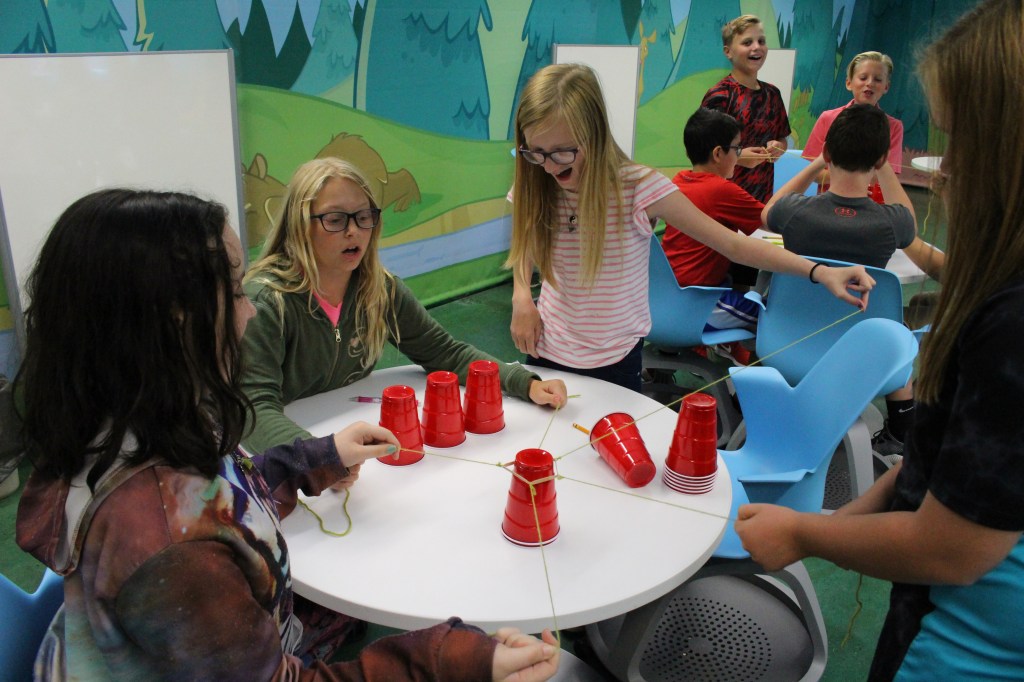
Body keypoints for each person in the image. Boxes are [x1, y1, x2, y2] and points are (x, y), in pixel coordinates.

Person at [14, 188, 560, 681]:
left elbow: (221, 491)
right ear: (174, 323)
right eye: (234, 292)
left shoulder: (131, 421)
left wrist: (315, 457)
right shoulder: (176, 552)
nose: (248, 313)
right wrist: (450, 661)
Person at [736, 1, 1024, 679]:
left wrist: (806, 531)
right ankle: (897, 412)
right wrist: (830, 528)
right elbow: (945, 465)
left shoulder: (1008, 322)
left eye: (959, 139)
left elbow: (955, 548)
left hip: (961, 644)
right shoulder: (893, 225)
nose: (945, 171)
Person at [507, 63, 876, 393]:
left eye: (562, 152)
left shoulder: (638, 188)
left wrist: (820, 271)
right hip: (545, 347)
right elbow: (525, 240)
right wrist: (522, 296)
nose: (548, 166)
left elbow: (735, 246)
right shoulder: (536, 179)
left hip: (614, 359)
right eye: (535, 152)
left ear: (595, 134)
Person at [242, 158, 567, 455]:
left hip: (341, 435)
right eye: (336, 219)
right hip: (281, 454)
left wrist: (523, 382)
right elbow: (253, 408)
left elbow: (445, 353)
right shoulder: (266, 302)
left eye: (364, 217)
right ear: (300, 224)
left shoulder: (378, 288)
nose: (354, 231)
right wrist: (318, 457)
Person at [763, 103, 945, 460]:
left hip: (787, 344)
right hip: (864, 355)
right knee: (900, 327)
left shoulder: (795, 212)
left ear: (828, 153)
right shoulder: (892, 222)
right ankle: (900, 431)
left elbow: (767, 212)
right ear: (880, 159)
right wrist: (885, 167)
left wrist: (814, 164)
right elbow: (909, 220)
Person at [663, 107, 767, 362]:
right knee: (775, 319)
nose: (739, 156)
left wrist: (738, 157)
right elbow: (775, 220)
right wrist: (814, 167)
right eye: (737, 149)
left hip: (665, 300)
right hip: (698, 305)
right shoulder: (722, 191)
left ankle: (727, 349)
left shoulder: (679, 180)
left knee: (738, 271)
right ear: (718, 153)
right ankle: (743, 377)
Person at [701, 14, 790, 203]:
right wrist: (739, 156)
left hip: (762, 199)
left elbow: (782, 138)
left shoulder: (773, 94)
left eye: (761, 41)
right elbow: (703, 150)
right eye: (747, 42)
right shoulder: (720, 95)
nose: (756, 47)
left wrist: (778, 147)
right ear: (728, 52)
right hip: (724, 199)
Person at [802, 51, 904, 193]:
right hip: (829, 201)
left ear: (886, 86)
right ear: (849, 83)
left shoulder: (894, 127)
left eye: (878, 79)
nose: (870, 83)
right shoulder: (827, 118)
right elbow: (815, 173)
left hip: (872, 203)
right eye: (863, 78)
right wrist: (856, 183)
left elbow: (889, 176)